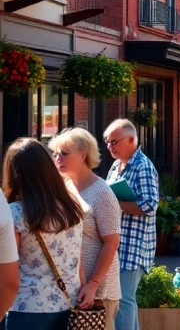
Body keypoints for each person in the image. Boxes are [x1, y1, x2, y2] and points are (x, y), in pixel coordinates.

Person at [3, 138, 84, 329]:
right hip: (69, 306)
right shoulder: (73, 208)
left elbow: (8, 272)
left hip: (26, 308)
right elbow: (78, 261)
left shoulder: (15, 212)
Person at [50, 128, 122, 330]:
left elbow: (112, 243)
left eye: (64, 153)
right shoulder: (65, 187)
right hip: (72, 286)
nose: (57, 158)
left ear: (83, 155)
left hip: (97, 291)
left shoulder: (102, 193)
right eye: (55, 153)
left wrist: (93, 285)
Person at [104, 119, 159, 330]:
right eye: (107, 142)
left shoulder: (143, 166)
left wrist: (115, 202)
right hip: (119, 243)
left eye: (114, 142)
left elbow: (149, 205)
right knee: (124, 299)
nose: (110, 146)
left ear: (130, 140)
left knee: (124, 299)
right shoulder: (117, 165)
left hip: (134, 245)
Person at [0, 193, 20, 323]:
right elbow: (10, 283)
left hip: (24, 305)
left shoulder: (16, 211)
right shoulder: (72, 208)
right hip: (64, 301)